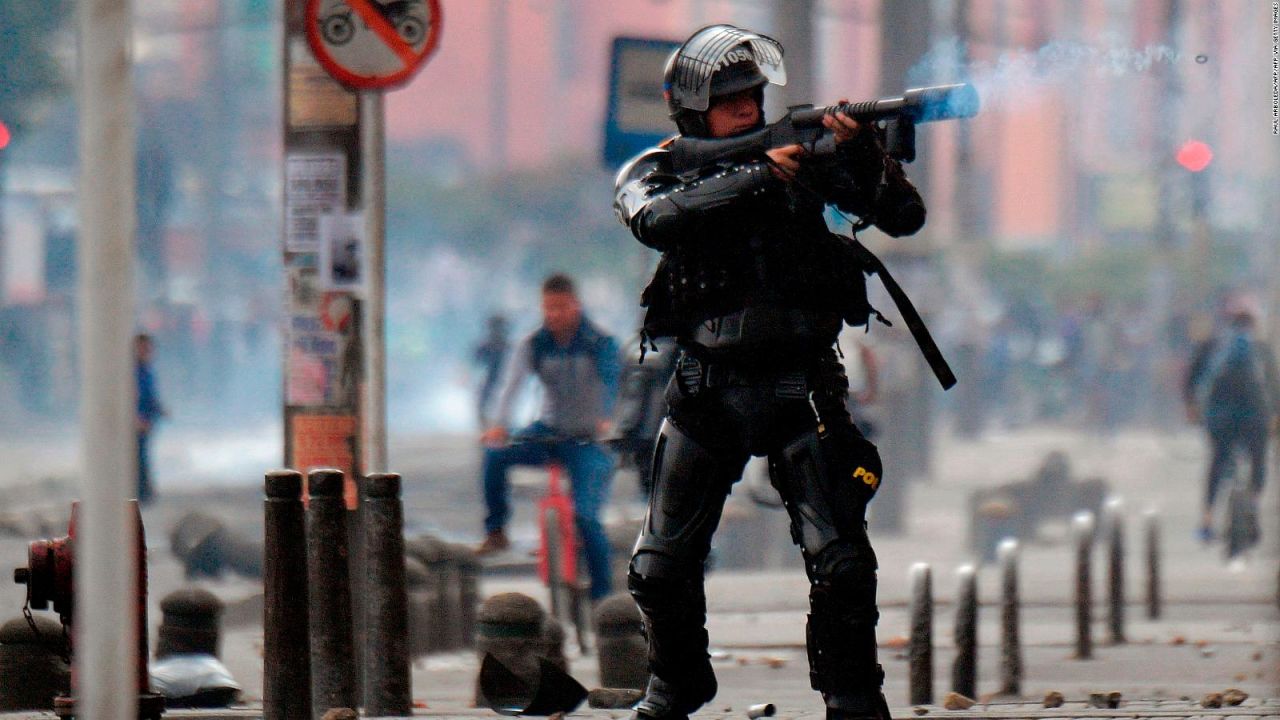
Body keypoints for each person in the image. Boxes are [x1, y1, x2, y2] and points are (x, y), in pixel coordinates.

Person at [613, 24, 932, 720]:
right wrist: (760, 174)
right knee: (660, 568)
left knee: (843, 561)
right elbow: (654, 217)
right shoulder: (662, 165)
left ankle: (851, 697)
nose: (748, 110)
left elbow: (902, 217)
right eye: (731, 102)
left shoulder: (806, 155)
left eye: (754, 97)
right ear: (696, 112)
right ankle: (675, 687)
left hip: (801, 386)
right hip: (707, 387)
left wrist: (860, 155)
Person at [476, 274, 622, 601]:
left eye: (560, 307)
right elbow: (510, 386)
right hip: (549, 433)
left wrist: (606, 418)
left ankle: (602, 599)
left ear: (576, 305)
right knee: (495, 455)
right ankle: (496, 529)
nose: (553, 315)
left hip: (589, 441)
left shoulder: (600, 343)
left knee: (587, 517)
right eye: (548, 308)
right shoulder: (534, 344)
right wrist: (498, 424)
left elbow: (614, 384)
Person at [1183, 297, 1279, 544]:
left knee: (1217, 462)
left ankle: (1206, 522)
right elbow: (1273, 386)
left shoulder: (1212, 346)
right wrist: (1275, 418)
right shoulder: (1261, 349)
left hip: (1220, 417)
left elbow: (1191, 380)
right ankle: (1253, 510)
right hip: (1255, 417)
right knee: (1258, 461)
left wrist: (1192, 409)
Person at [135, 333, 165, 504]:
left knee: (143, 455)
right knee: (137, 457)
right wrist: (136, 418)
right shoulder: (132, 372)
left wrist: (159, 409)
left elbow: (150, 396)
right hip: (137, 423)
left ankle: (144, 492)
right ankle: (141, 492)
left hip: (147, 421)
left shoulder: (147, 371)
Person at [473, 314, 512, 426]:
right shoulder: (486, 346)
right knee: (483, 404)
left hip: (504, 380)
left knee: (503, 402)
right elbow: (476, 362)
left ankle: (501, 424)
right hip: (491, 379)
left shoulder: (507, 346)